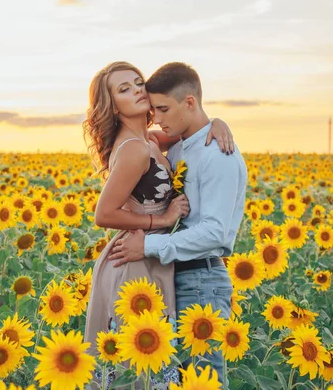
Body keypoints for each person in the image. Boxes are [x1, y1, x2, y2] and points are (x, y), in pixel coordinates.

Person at [82, 61, 235, 389]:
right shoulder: (136, 148)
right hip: (137, 261)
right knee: (137, 362)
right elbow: (103, 214)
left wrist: (218, 122)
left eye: (138, 83)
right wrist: (162, 219)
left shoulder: (151, 139)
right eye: (124, 89)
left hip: (155, 259)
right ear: (113, 106)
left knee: (153, 360)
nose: (137, 90)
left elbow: (191, 124)